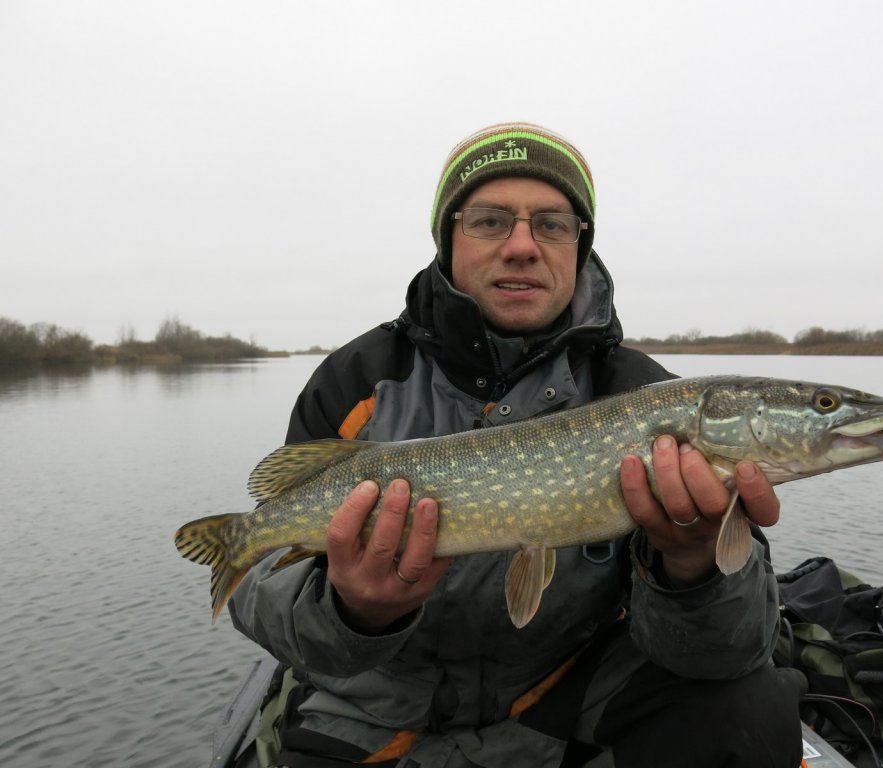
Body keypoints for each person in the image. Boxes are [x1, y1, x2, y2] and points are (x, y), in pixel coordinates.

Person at [229, 122, 804, 767]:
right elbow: (263, 586)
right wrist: (353, 612)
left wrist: (693, 567)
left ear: (579, 247)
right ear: (448, 239)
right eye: (490, 221)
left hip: (563, 696)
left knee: (749, 710)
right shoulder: (357, 381)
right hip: (368, 712)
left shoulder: (644, 397)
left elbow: (728, 651)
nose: (523, 247)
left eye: (552, 225)